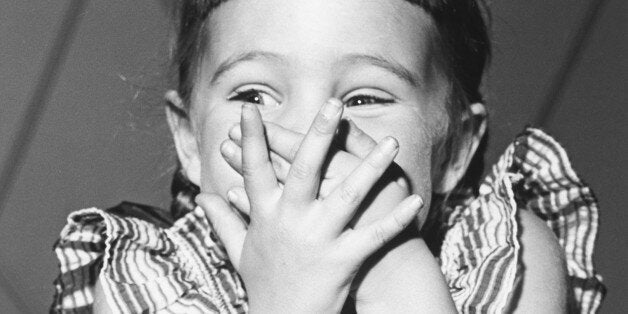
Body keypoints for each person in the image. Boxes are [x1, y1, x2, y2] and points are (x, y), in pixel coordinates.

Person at [51, 0, 606, 313]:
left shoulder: (503, 247)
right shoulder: (150, 281)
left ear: (455, 150)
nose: (310, 130)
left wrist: (398, 270)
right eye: (253, 95)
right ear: (191, 142)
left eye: (364, 98)